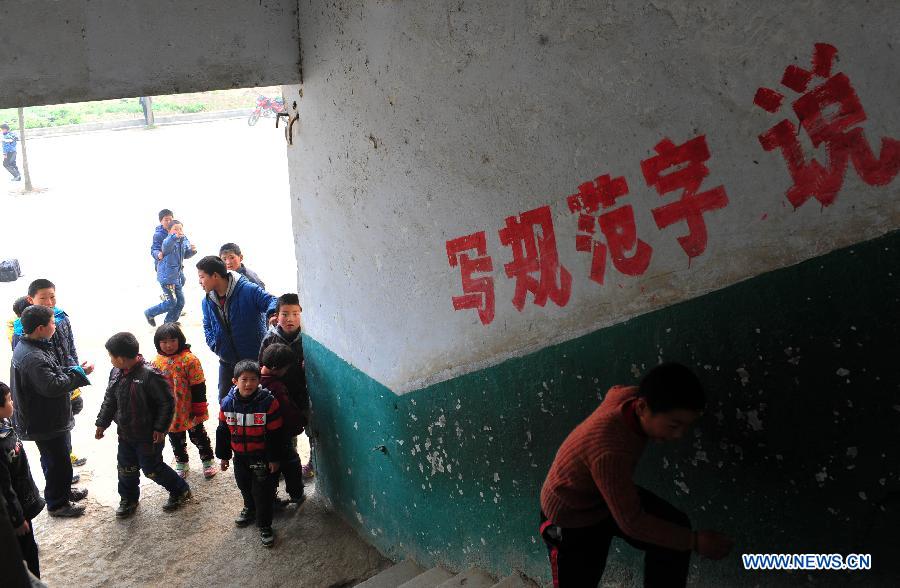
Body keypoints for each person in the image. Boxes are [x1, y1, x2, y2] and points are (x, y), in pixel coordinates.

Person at [539, 363, 733, 587]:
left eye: (685, 426)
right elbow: (632, 523)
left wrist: (688, 540)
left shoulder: (629, 398)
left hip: (603, 494)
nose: (679, 434)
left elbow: (615, 390)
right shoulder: (609, 451)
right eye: (674, 425)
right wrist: (696, 542)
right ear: (642, 408)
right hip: (569, 518)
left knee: (674, 529)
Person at [95, 332, 192, 518]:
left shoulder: (150, 375)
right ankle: (128, 499)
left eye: (111, 356)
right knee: (126, 469)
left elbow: (167, 403)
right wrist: (102, 423)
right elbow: (110, 399)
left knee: (152, 468)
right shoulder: (116, 372)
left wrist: (160, 429)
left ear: (121, 358)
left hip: (148, 436)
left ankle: (180, 490)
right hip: (125, 434)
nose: (110, 360)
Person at [10, 305, 92, 518]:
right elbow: (52, 386)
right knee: (58, 462)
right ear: (40, 328)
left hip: (46, 418)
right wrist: (79, 376)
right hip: (45, 421)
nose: (56, 326)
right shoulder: (32, 356)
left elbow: (51, 373)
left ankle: (62, 492)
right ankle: (57, 504)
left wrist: (74, 370)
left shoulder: (33, 346)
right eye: (52, 323)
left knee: (55, 459)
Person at [13, 279, 91, 468]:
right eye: (43, 298)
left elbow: (70, 349)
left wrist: (76, 370)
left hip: (64, 380)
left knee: (65, 423)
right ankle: (61, 481)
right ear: (31, 299)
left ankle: (66, 461)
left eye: (52, 297)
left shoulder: (61, 318)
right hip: (47, 389)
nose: (49, 302)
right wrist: (75, 377)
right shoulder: (24, 329)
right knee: (53, 445)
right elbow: (32, 373)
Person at [216, 360, 283, 547]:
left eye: (253, 379)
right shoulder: (227, 403)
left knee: (262, 491)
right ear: (234, 381)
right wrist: (224, 457)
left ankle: (264, 525)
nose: (248, 384)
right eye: (244, 379)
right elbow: (222, 431)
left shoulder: (268, 403)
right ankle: (249, 507)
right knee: (244, 485)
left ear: (259, 381)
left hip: (261, 456)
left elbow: (275, 434)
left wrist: (274, 458)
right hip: (240, 456)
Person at [195, 255, 277, 401]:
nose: (199, 282)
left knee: (259, 399)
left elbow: (272, 301)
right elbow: (207, 325)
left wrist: (272, 314)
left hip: (253, 359)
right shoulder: (207, 300)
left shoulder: (248, 290)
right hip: (227, 361)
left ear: (215, 276)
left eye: (202, 277)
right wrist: (215, 345)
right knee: (225, 400)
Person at [258, 293, 314, 480]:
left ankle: (314, 462)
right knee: (287, 432)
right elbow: (262, 365)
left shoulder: (310, 338)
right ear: (276, 315)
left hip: (304, 394)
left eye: (295, 313)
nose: (290, 318)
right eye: (285, 313)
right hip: (279, 397)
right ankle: (290, 461)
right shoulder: (269, 339)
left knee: (312, 431)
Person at [150, 323, 217, 479]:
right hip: (170, 413)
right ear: (157, 343)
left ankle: (208, 460)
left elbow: (199, 385)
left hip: (189, 409)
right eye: (164, 341)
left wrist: (199, 408)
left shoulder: (189, 360)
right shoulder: (156, 362)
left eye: (172, 340)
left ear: (180, 339)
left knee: (198, 435)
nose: (168, 345)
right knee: (175, 439)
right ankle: (182, 463)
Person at [0, 382, 45, 577]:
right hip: (13, 512)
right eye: (9, 400)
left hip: (22, 498)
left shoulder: (5, 424)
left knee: (28, 545)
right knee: (25, 555)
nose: (13, 403)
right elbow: (4, 487)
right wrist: (17, 519)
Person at [260, 344, 306, 504]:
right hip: (280, 436)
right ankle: (297, 494)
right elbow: (289, 413)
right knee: (292, 465)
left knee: (269, 470)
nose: (286, 372)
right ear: (275, 368)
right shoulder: (277, 388)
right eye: (285, 368)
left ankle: (271, 499)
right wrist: (300, 424)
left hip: (261, 439)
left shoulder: (254, 381)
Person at [144, 220, 196, 327]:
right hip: (167, 278)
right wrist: (174, 237)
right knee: (172, 302)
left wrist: (192, 251)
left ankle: (169, 322)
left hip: (176, 277)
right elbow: (166, 246)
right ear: (169, 231)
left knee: (180, 302)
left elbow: (185, 254)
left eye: (180, 229)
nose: (178, 231)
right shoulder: (168, 240)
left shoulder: (183, 240)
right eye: (175, 229)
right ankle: (150, 313)